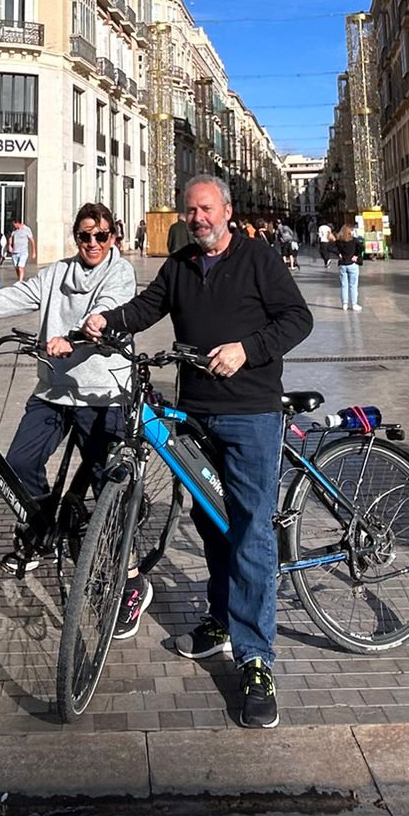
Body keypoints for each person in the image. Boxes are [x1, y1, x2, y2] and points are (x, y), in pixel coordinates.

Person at [82, 174, 312, 729]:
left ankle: (257, 659)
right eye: (191, 210)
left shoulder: (259, 258)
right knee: (212, 525)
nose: (198, 218)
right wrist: (105, 321)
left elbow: (297, 319)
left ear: (227, 211)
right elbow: (145, 308)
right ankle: (218, 618)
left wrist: (248, 349)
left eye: (206, 209)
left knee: (252, 530)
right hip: (195, 414)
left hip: (252, 413)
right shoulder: (180, 264)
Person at [0, 201, 138, 576]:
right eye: (85, 236)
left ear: (112, 237)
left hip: (103, 393)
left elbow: (107, 309)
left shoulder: (120, 273)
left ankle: (119, 567)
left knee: (107, 480)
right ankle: (38, 531)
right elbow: (15, 296)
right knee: (19, 463)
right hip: (54, 388)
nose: (93, 243)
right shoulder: (58, 273)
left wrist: (78, 336)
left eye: (101, 236)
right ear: (76, 237)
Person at [333, 223, 364, 311]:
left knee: (344, 285)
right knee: (353, 285)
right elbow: (361, 247)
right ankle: (354, 304)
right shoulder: (354, 241)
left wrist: (338, 254)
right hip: (352, 264)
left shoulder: (339, 241)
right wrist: (356, 255)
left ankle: (345, 304)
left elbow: (330, 248)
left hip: (343, 264)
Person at [9, 218, 35, 282]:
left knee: (20, 267)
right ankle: (19, 279)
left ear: (18, 223)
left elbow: (32, 240)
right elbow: (11, 237)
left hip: (23, 252)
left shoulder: (26, 229)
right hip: (15, 252)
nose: (14, 226)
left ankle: (20, 281)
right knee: (17, 268)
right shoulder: (14, 230)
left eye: (14, 224)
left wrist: (34, 252)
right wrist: (10, 245)